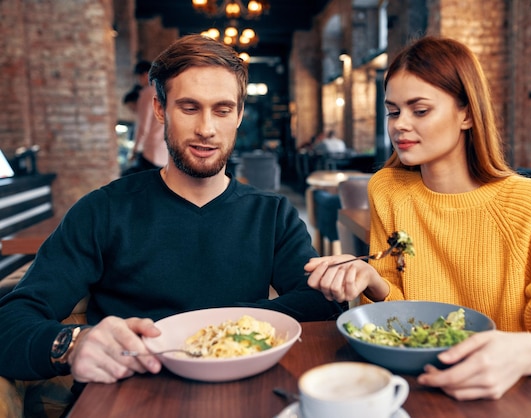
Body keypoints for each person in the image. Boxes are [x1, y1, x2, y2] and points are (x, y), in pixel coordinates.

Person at [0, 34, 344, 414]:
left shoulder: (272, 214)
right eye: (189, 107)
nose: (207, 129)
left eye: (223, 109)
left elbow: (317, 301)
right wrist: (72, 344)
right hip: (130, 401)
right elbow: (10, 321)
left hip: (244, 397)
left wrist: (215, 327)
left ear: (240, 114)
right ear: (160, 109)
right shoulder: (103, 210)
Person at [305, 36, 531, 417]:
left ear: (467, 114)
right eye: (393, 112)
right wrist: (370, 278)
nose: (400, 125)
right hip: (441, 390)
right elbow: (404, 316)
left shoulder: (529, 202)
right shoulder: (389, 189)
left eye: (420, 110)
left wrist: (523, 353)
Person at [122, 60, 169, 175]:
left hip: (151, 151)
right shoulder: (166, 90)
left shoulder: (147, 93)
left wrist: (135, 150)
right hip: (166, 150)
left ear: (144, 75)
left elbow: (143, 126)